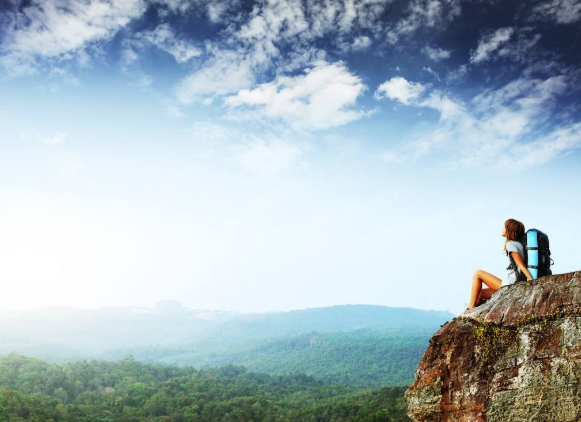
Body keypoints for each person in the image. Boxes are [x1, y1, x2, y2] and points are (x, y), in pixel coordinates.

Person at [458, 218, 533, 317]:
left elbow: (521, 265)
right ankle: (462, 316)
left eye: (504, 227)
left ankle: (470, 309)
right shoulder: (519, 244)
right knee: (479, 294)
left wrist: (532, 281)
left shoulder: (510, 244)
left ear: (509, 230)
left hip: (510, 284)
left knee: (478, 273)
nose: (502, 228)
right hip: (514, 283)